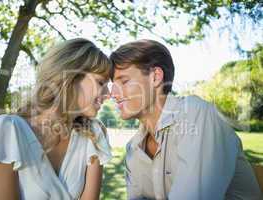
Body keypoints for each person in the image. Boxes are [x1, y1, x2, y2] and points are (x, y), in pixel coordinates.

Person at [110, 39, 262, 200]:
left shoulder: (196, 115)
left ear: (155, 77)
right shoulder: (133, 149)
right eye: (113, 84)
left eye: (124, 81)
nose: (112, 94)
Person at [0, 38, 113, 200]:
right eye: (101, 83)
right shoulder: (6, 131)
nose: (108, 94)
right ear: (71, 78)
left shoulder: (92, 134)